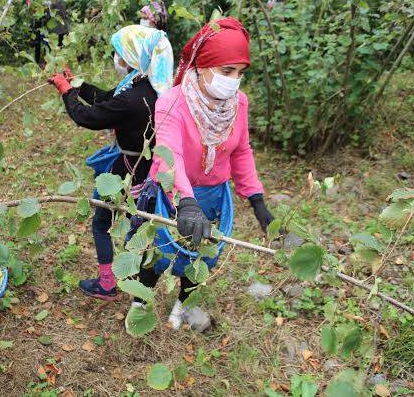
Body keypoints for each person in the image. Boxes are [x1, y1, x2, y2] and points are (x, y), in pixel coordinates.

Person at [130, 18, 275, 330]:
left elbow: (241, 150)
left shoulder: (238, 103)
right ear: (203, 64)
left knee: (202, 254)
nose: (234, 81)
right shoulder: (172, 102)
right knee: (158, 251)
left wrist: (256, 198)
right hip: (173, 191)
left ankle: (182, 307)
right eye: (227, 71)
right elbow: (170, 155)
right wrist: (185, 201)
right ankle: (140, 302)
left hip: (212, 194)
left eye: (240, 72)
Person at [48, 25, 174, 300]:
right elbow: (107, 98)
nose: (117, 58)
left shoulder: (132, 98)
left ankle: (108, 283)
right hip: (148, 171)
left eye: (120, 53)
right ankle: (140, 292)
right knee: (141, 227)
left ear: (134, 54)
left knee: (103, 220)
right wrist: (78, 85)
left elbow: (89, 116)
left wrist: (65, 91)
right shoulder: (148, 84)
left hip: (126, 172)